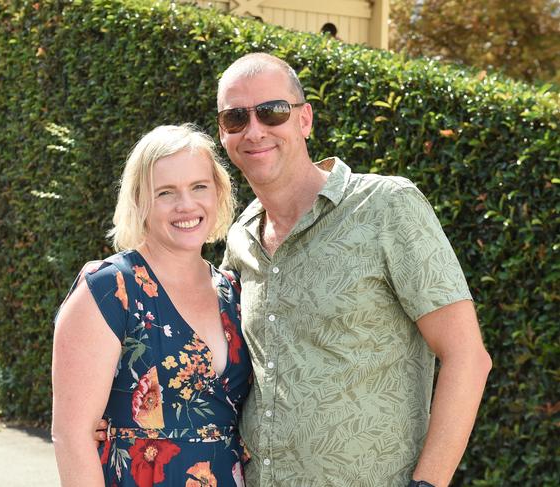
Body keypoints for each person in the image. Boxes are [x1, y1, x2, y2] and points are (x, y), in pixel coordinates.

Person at [214, 53, 492, 486]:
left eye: (272, 112)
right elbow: (205, 352)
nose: (254, 130)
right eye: (236, 117)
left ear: (304, 120)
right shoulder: (241, 237)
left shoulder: (387, 206)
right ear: (223, 133)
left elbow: (468, 357)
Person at [52, 124, 251, 487]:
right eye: (166, 192)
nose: (186, 205)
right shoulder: (110, 289)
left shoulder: (232, 291)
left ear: (219, 192)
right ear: (140, 201)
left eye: (199, 187)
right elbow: (72, 436)